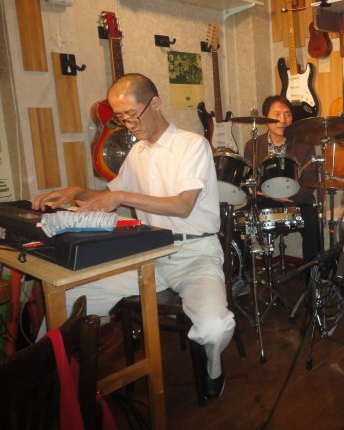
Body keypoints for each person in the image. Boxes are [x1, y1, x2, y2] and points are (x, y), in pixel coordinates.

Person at [32, 73, 234, 399]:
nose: (127, 124)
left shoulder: (191, 145)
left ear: (155, 104)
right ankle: (40, 380)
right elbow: (110, 194)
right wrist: (76, 191)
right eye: (119, 117)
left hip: (195, 253)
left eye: (131, 114)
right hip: (149, 251)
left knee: (213, 327)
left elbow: (182, 206)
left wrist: (121, 197)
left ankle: (214, 368)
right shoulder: (138, 152)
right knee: (69, 296)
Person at [244, 95, 321, 266]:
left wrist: (290, 196)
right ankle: (245, 273)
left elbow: (311, 179)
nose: (282, 120)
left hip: (296, 200)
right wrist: (260, 192)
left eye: (287, 115)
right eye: (277, 114)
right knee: (239, 219)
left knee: (312, 221)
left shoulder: (304, 144)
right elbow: (250, 179)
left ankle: (313, 275)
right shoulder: (252, 146)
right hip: (265, 200)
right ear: (266, 118)